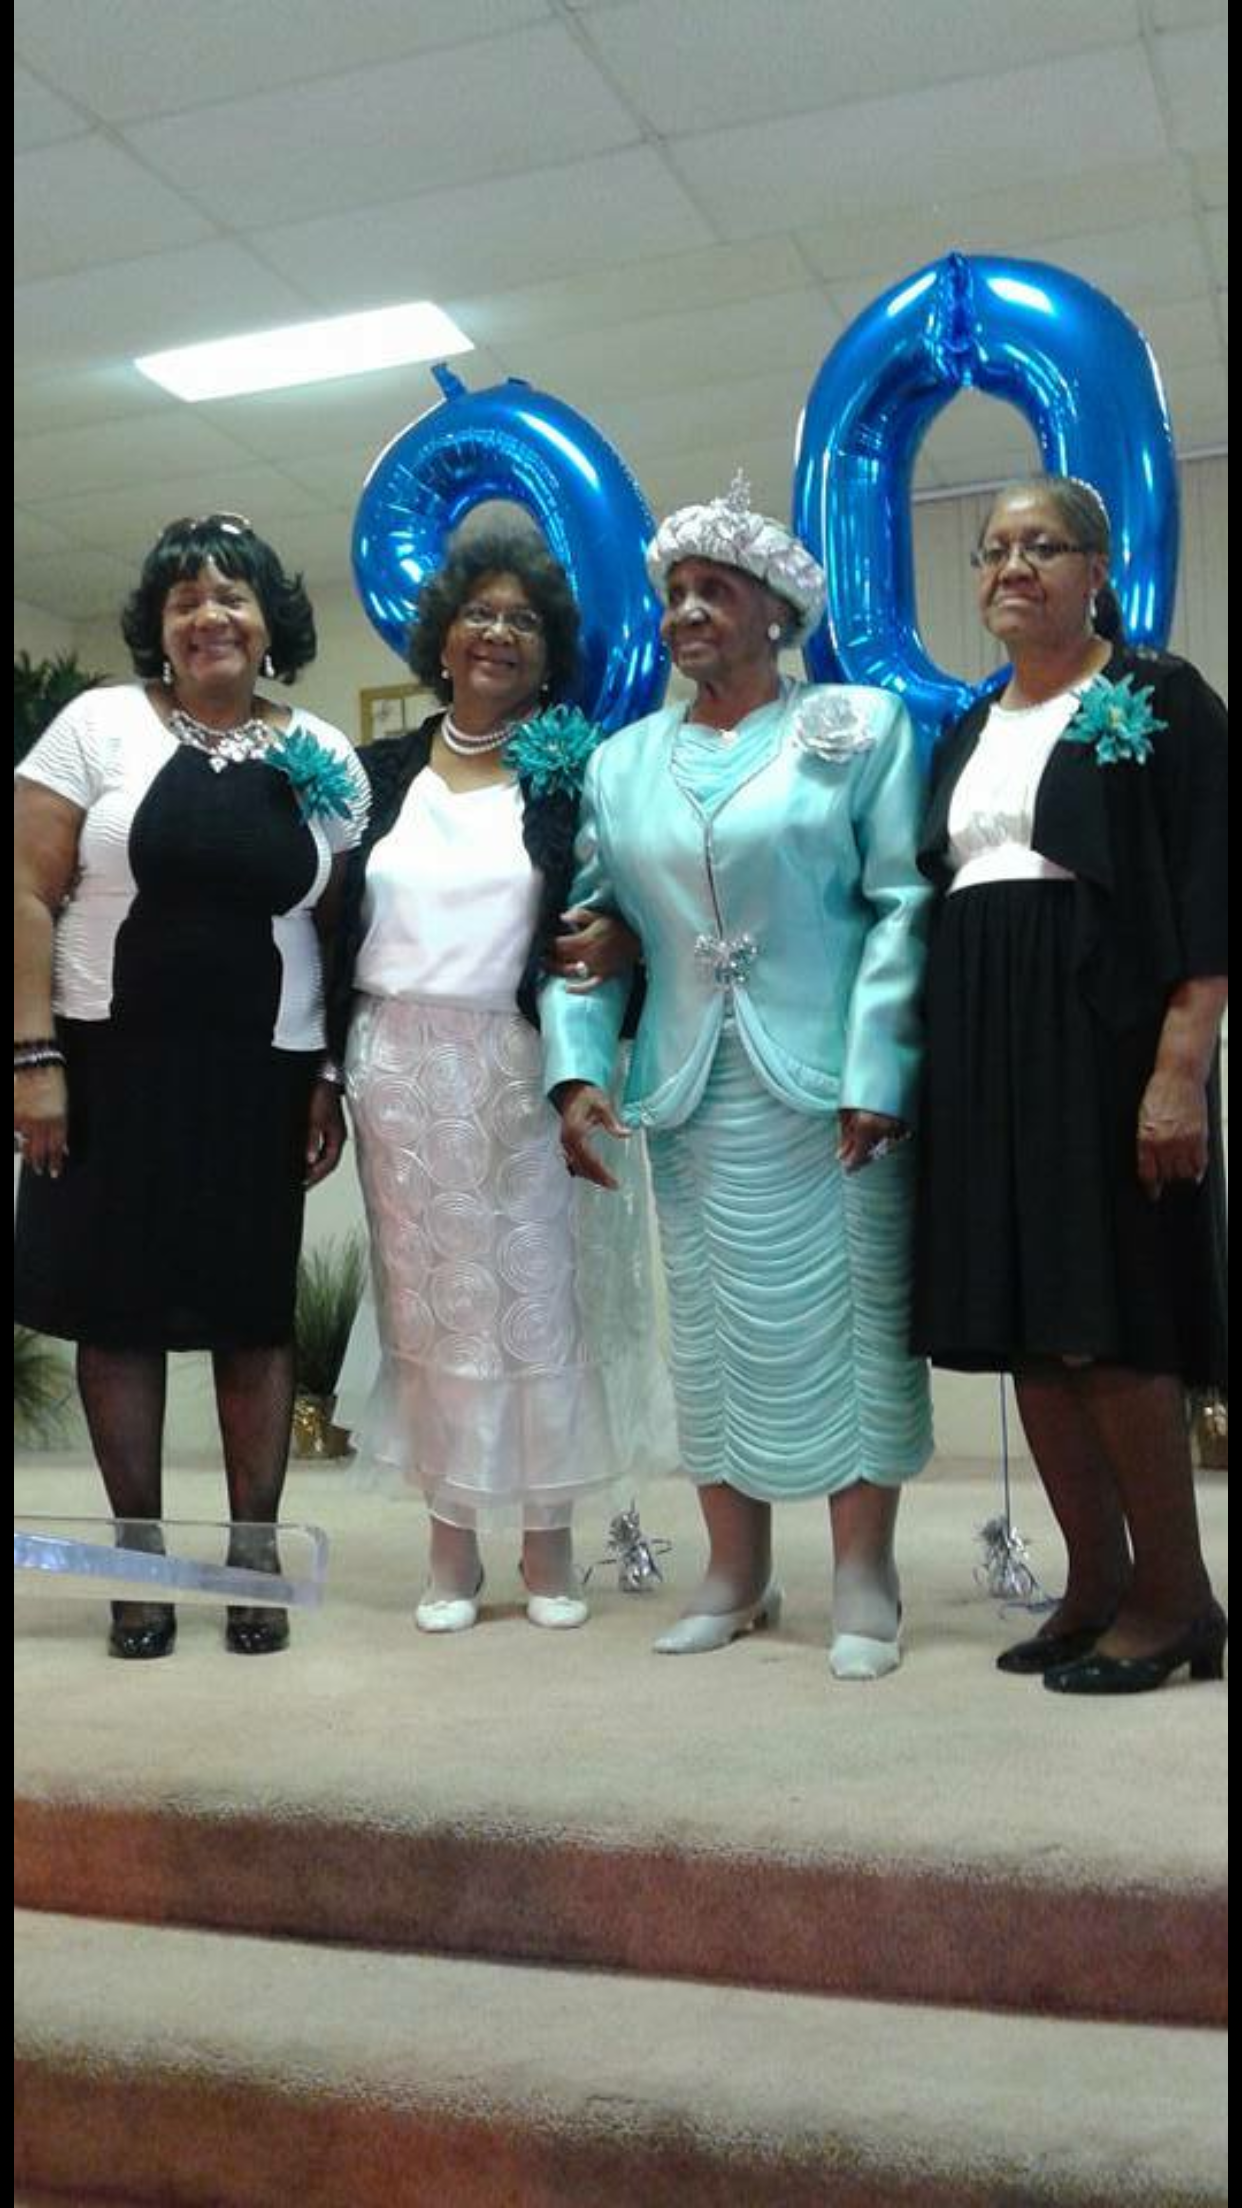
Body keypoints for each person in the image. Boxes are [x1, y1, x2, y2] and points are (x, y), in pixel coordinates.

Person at [543, 478, 934, 1681]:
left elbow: (901, 906)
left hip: (831, 1084)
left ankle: (863, 1574)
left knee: (860, 1322)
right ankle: (735, 1571)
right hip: (691, 1087)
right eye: (675, 594)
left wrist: (881, 1067)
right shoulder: (622, 763)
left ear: (777, 612)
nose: (688, 612)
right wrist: (576, 1072)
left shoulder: (862, 726)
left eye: (715, 591)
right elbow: (589, 933)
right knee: (708, 1330)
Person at [14, 515, 369, 1659]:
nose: (209, 614)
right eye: (184, 600)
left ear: (269, 623)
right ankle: (138, 1559)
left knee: (251, 1314)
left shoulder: (323, 750)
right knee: (117, 1315)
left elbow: (336, 930)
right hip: (106, 1067)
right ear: (158, 628)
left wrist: (324, 1074)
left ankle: (253, 1555)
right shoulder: (98, 724)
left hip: (260, 1073)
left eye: (232, 596)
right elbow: (24, 891)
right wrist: (32, 1058)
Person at [913, 475, 1228, 1695]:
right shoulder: (966, 726)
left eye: (1041, 545)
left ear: (1097, 569)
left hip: (1103, 1038)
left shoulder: (1160, 698)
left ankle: (1179, 1598)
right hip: (984, 1042)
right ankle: (1097, 1584)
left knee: (1113, 1313)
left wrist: (1180, 1067)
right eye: (995, 548)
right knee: (1031, 1326)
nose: (1011, 566)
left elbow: (1209, 888)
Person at [327, 527, 671, 1632]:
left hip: (523, 1064)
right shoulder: (378, 772)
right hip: (398, 1069)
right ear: (441, 639)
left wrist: (627, 938)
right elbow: (328, 918)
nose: (498, 633)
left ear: (548, 652)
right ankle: (452, 1548)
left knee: (537, 1306)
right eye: (479, 612)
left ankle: (548, 1546)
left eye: (523, 620)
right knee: (433, 1311)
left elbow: (637, 894)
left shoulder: (578, 770)